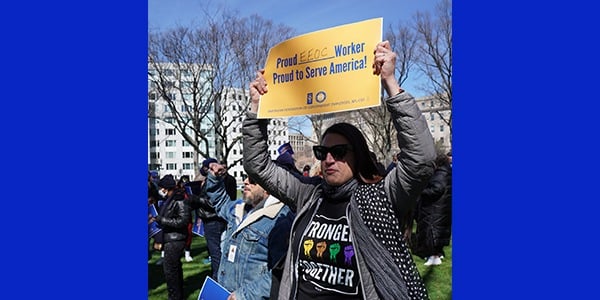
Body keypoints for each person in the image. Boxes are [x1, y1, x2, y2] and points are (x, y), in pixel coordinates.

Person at [243, 40, 436, 299]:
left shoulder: (382, 196)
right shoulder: (308, 195)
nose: (329, 159)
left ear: (358, 155)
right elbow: (258, 166)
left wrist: (390, 84)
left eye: (339, 152)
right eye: (322, 153)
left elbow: (421, 160)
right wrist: (257, 109)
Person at [203, 161, 295, 300]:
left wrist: (242, 296)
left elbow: (281, 274)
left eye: (253, 180)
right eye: (246, 177)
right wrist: (215, 178)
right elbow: (220, 202)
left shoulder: (280, 220)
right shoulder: (240, 208)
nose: (245, 182)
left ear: (269, 186)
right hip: (226, 293)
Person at [151, 174, 191, 300]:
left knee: (171, 272)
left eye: (162, 188)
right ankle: (177, 294)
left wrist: (162, 220)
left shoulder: (179, 199)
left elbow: (182, 221)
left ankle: (175, 296)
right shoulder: (169, 199)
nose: (161, 191)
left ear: (166, 188)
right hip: (170, 238)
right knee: (173, 270)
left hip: (175, 240)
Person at [411, 152, 452, 266]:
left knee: (432, 233)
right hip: (441, 208)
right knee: (438, 232)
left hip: (435, 209)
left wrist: (421, 192)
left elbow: (437, 188)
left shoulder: (440, 173)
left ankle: (434, 257)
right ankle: (438, 253)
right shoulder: (447, 172)